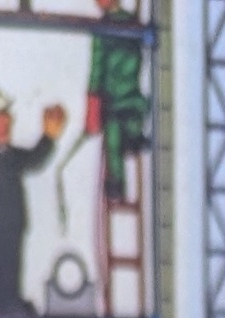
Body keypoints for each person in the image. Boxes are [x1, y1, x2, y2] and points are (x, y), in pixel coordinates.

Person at [0, 90, 69, 318]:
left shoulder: (7, 154)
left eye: (7, 115)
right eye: (1, 116)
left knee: (12, 264)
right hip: (0, 223)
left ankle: (11, 300)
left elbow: (32, 159)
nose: (9, 120)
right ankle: (4, 304)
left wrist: (49, 136)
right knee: (3, 262)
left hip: (14, 221)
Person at [84, 0, 150, 207]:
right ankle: (117, 181)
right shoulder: (126, 23)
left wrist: (93, 98)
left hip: (120, 97)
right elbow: (97, 65)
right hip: (122, 98)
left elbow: (97, 65)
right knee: (117, 136)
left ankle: (117, 180)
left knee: (115, 139)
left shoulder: (108, 27)